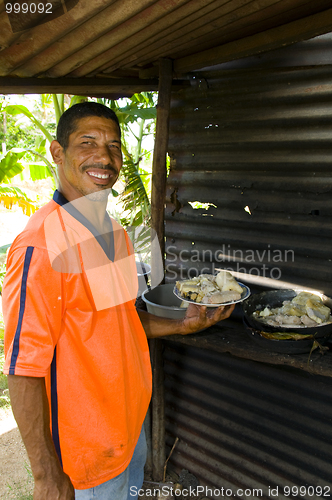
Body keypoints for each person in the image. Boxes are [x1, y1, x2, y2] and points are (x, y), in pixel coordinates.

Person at [2, 102, 234, 500]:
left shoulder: (115, 233)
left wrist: (183, 325)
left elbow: (122, 320)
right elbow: (24, 366)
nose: (104, 157)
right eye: (87, 142)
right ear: (58, 153)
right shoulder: (41, 245)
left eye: (113, 145)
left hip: (127, 431)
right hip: (84, 455)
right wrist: (45, 476)